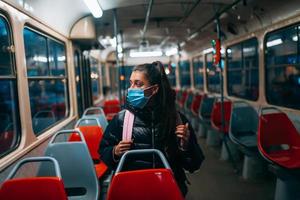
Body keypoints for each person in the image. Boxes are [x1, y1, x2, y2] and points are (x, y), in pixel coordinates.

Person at [99, 61, 204, 196]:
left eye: (138, 84)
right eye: (131, 83)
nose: (131, 89)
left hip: (167, 190)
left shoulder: (176, 120)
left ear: (154, 89)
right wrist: (115, 151)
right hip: (133, 191)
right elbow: (104, 151)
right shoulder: (122, 120)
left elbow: (194, 165)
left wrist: (185, 146)